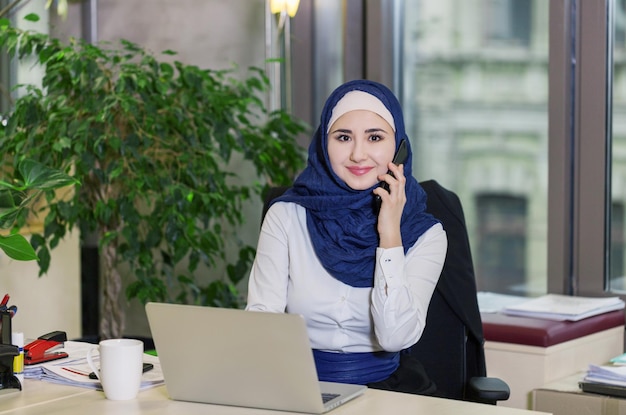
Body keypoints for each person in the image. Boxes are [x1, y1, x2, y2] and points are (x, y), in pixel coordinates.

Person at [245, 79, 447, 394]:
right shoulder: (287, 216)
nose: (357, 154)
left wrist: (390, 233)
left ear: (399, 147)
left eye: (375, 137)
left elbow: (394, 337)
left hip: (388, 390)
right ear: (323, 144)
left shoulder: (426, 234)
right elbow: (262, 320)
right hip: (298, 385)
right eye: (343, 137)